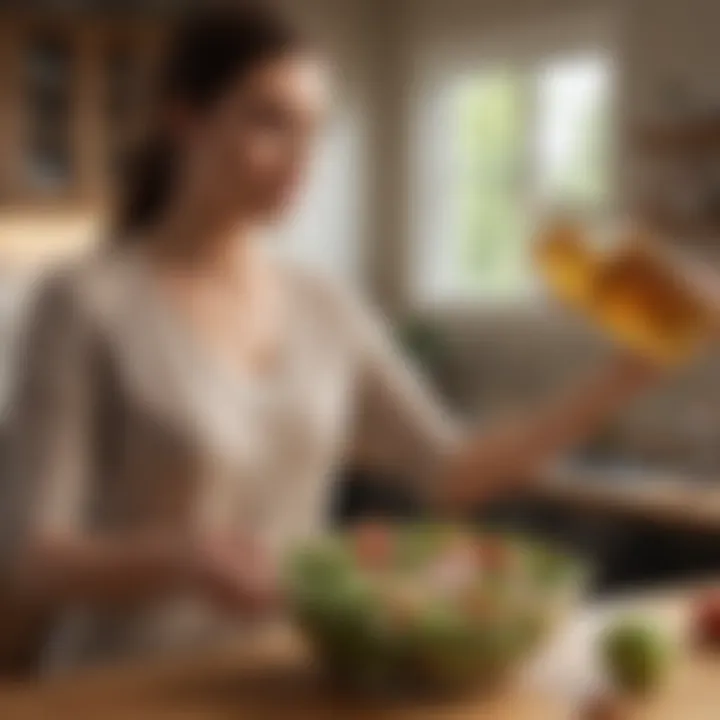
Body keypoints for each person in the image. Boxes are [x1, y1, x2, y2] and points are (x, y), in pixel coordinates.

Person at [0, 4, 658, 674]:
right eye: (269, 121)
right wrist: (181, 557)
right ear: (185, 120)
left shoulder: (327, 308)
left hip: (282, 681)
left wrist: (630, 370)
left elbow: (453, 470)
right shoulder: (83, 305)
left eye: (314, 129)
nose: (300, 158)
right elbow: (31, 556)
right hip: (118, 689)